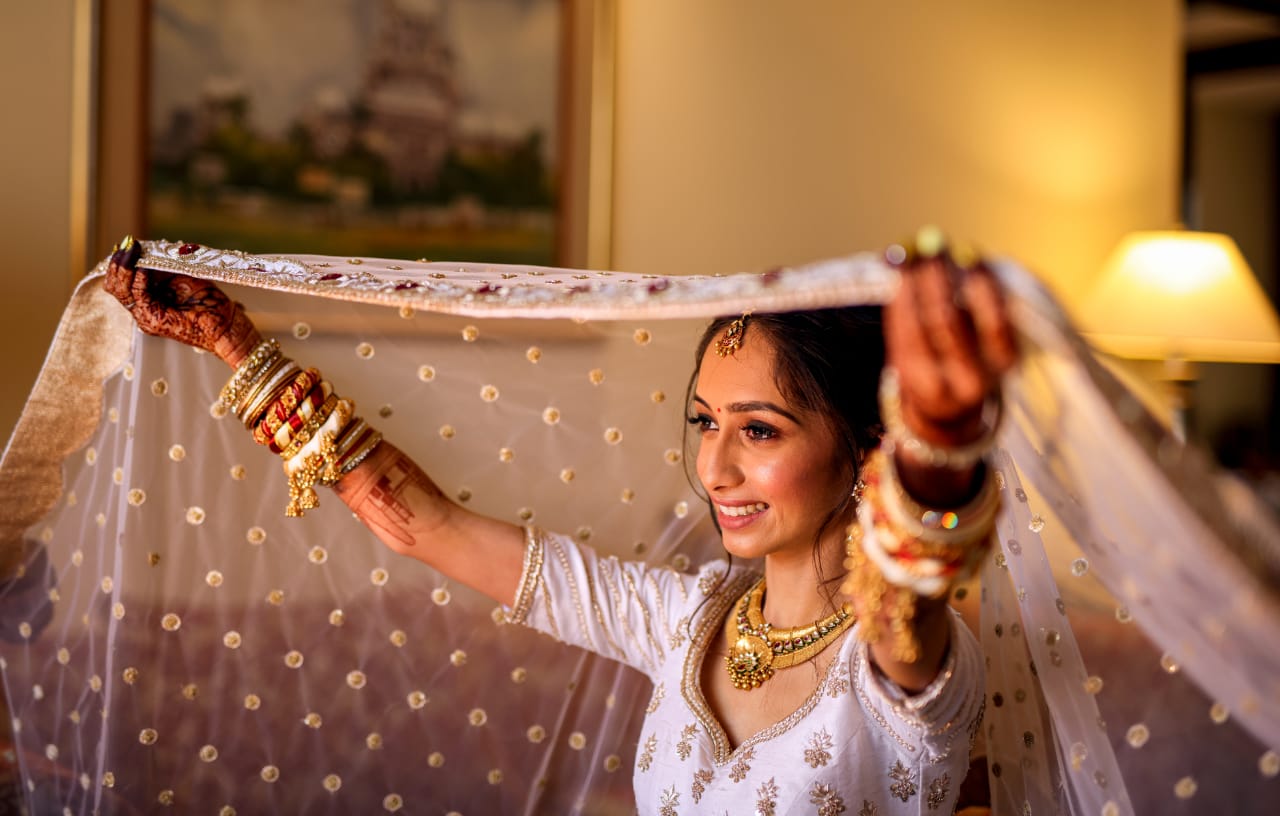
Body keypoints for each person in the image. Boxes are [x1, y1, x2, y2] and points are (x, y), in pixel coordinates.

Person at [99, 227, 1016, 813]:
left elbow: (905, 596)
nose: (716, 467)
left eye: (760, 430)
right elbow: (426, 524)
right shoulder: (681, 620)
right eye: (705, 422)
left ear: (863, 449)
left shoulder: (905, 666)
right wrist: (231, 341)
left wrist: (936, 442)